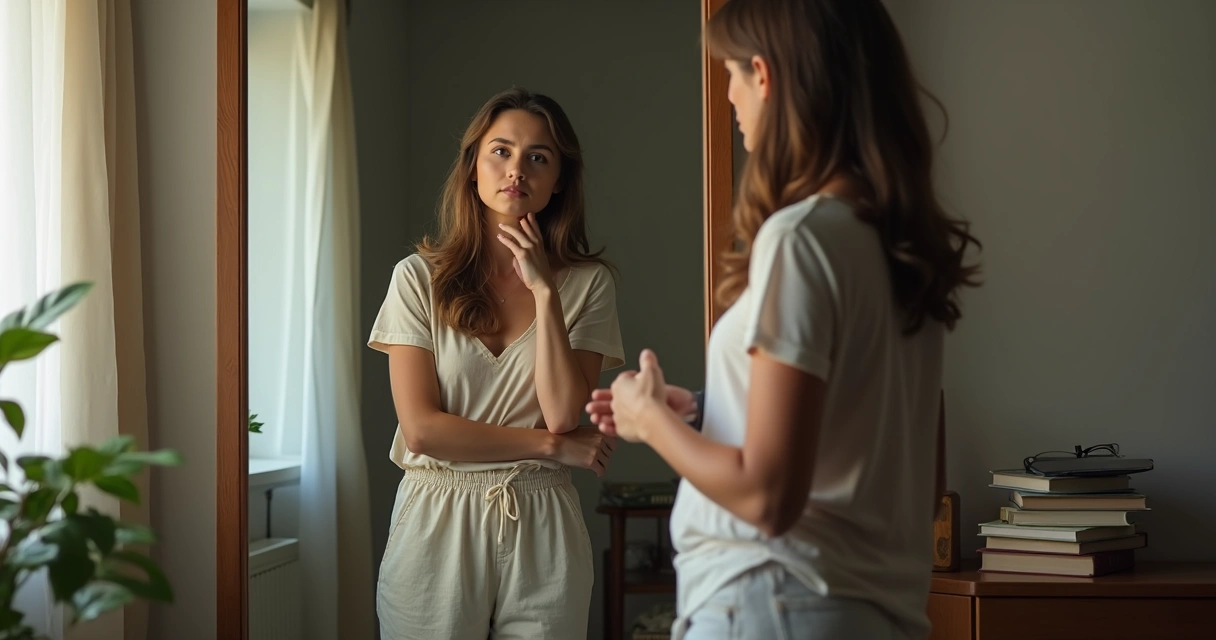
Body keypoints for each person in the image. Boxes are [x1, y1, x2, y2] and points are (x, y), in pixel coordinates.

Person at [587, 1, 982, 638]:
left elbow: (769, 497)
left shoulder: (800, 240)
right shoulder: (896, 252)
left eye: (732, 75)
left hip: (772, 602)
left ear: (765, 76)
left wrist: (649, 420)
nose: (731, 96)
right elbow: (861, 439)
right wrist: (710, 410)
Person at [369, 87, 624, 640]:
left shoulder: (587, 285)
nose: (517, 170)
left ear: (559, 179)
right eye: (501, 151)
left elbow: (561, 412)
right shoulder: (416, 279)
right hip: (436, 516)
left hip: (543, 519)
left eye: (538, 157)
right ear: (473, 166)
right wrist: (551, 447)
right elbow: (423, 429)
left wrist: (544, 292)